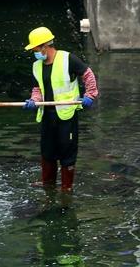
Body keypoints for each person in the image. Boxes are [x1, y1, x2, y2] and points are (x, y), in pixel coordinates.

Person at [22, 26, 98, 192]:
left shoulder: (67, 59)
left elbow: (88, 74)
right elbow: (38, 88)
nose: (34, 52)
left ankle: (66, 189)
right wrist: (34, 100)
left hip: (66, 115)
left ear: (44, 46)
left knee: (67, 152)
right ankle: (48, 185)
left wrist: (90, 95)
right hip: (47, 116)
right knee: (47, 152)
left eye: (35, 48)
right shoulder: (37, 66)